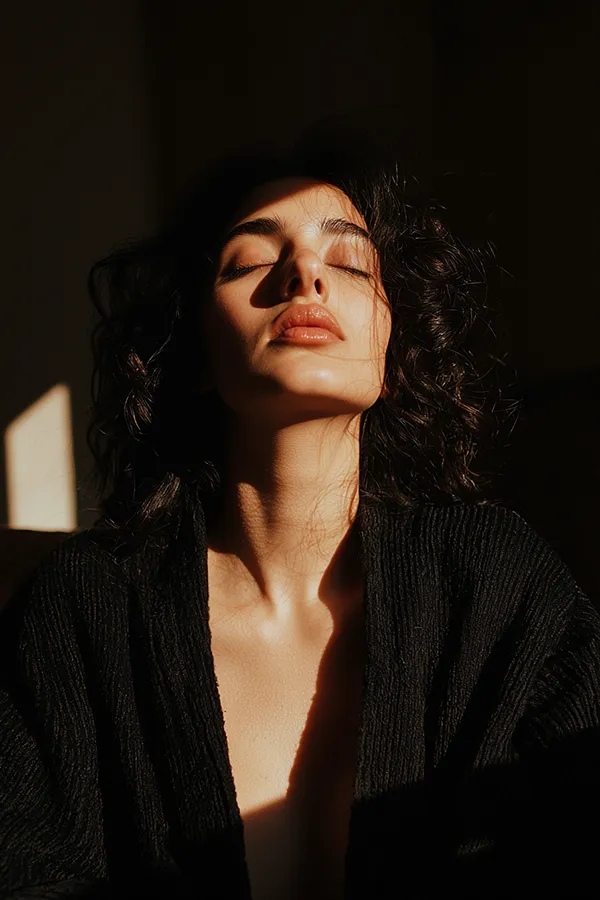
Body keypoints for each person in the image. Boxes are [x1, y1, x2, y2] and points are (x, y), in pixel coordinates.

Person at [1, 136, 599, 900]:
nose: (304, 274)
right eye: (249, 262)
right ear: (194, 349)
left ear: (393, 341)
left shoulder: (495, 582)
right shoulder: (85, 607)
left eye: (350, 265)